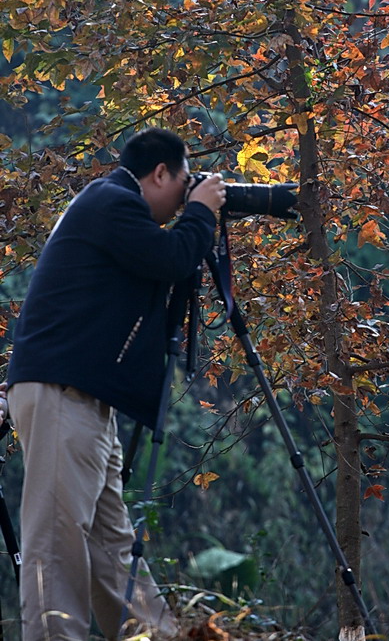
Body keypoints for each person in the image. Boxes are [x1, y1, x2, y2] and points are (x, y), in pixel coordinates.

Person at [6, 127, 226, 641]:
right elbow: (172, 259)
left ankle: (156, 636)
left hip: (83, 398)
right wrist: (201, 213)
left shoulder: (109, 204)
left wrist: (195, 213)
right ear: (160, 174)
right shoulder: (112, 202)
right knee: (57, 545)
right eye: (184, 184)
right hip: (64, 393)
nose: (183, 197)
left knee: (113, 548)